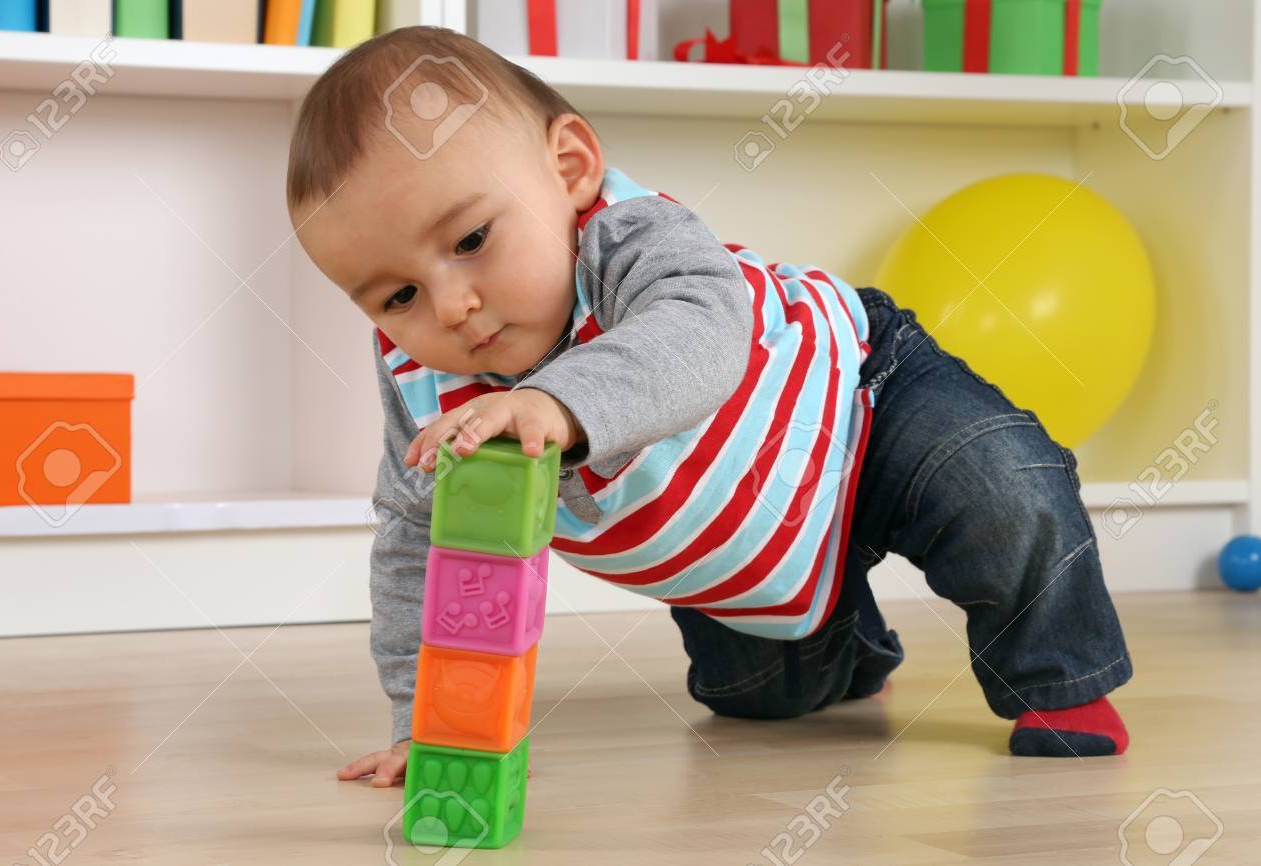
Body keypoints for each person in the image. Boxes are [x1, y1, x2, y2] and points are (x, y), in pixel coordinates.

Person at [285, 26, 1132, 788]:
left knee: (995, 480)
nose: (451, 306)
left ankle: (1056, 678)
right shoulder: (427, 387)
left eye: (471, 241)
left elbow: (698, 342)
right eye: (398, 295)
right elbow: (418, 547)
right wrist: (429, 725)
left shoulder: (629, 239)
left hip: (857, 399)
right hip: (738, 533)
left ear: (570, 169)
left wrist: (557, 401)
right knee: (761, 698)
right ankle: (848, 644)